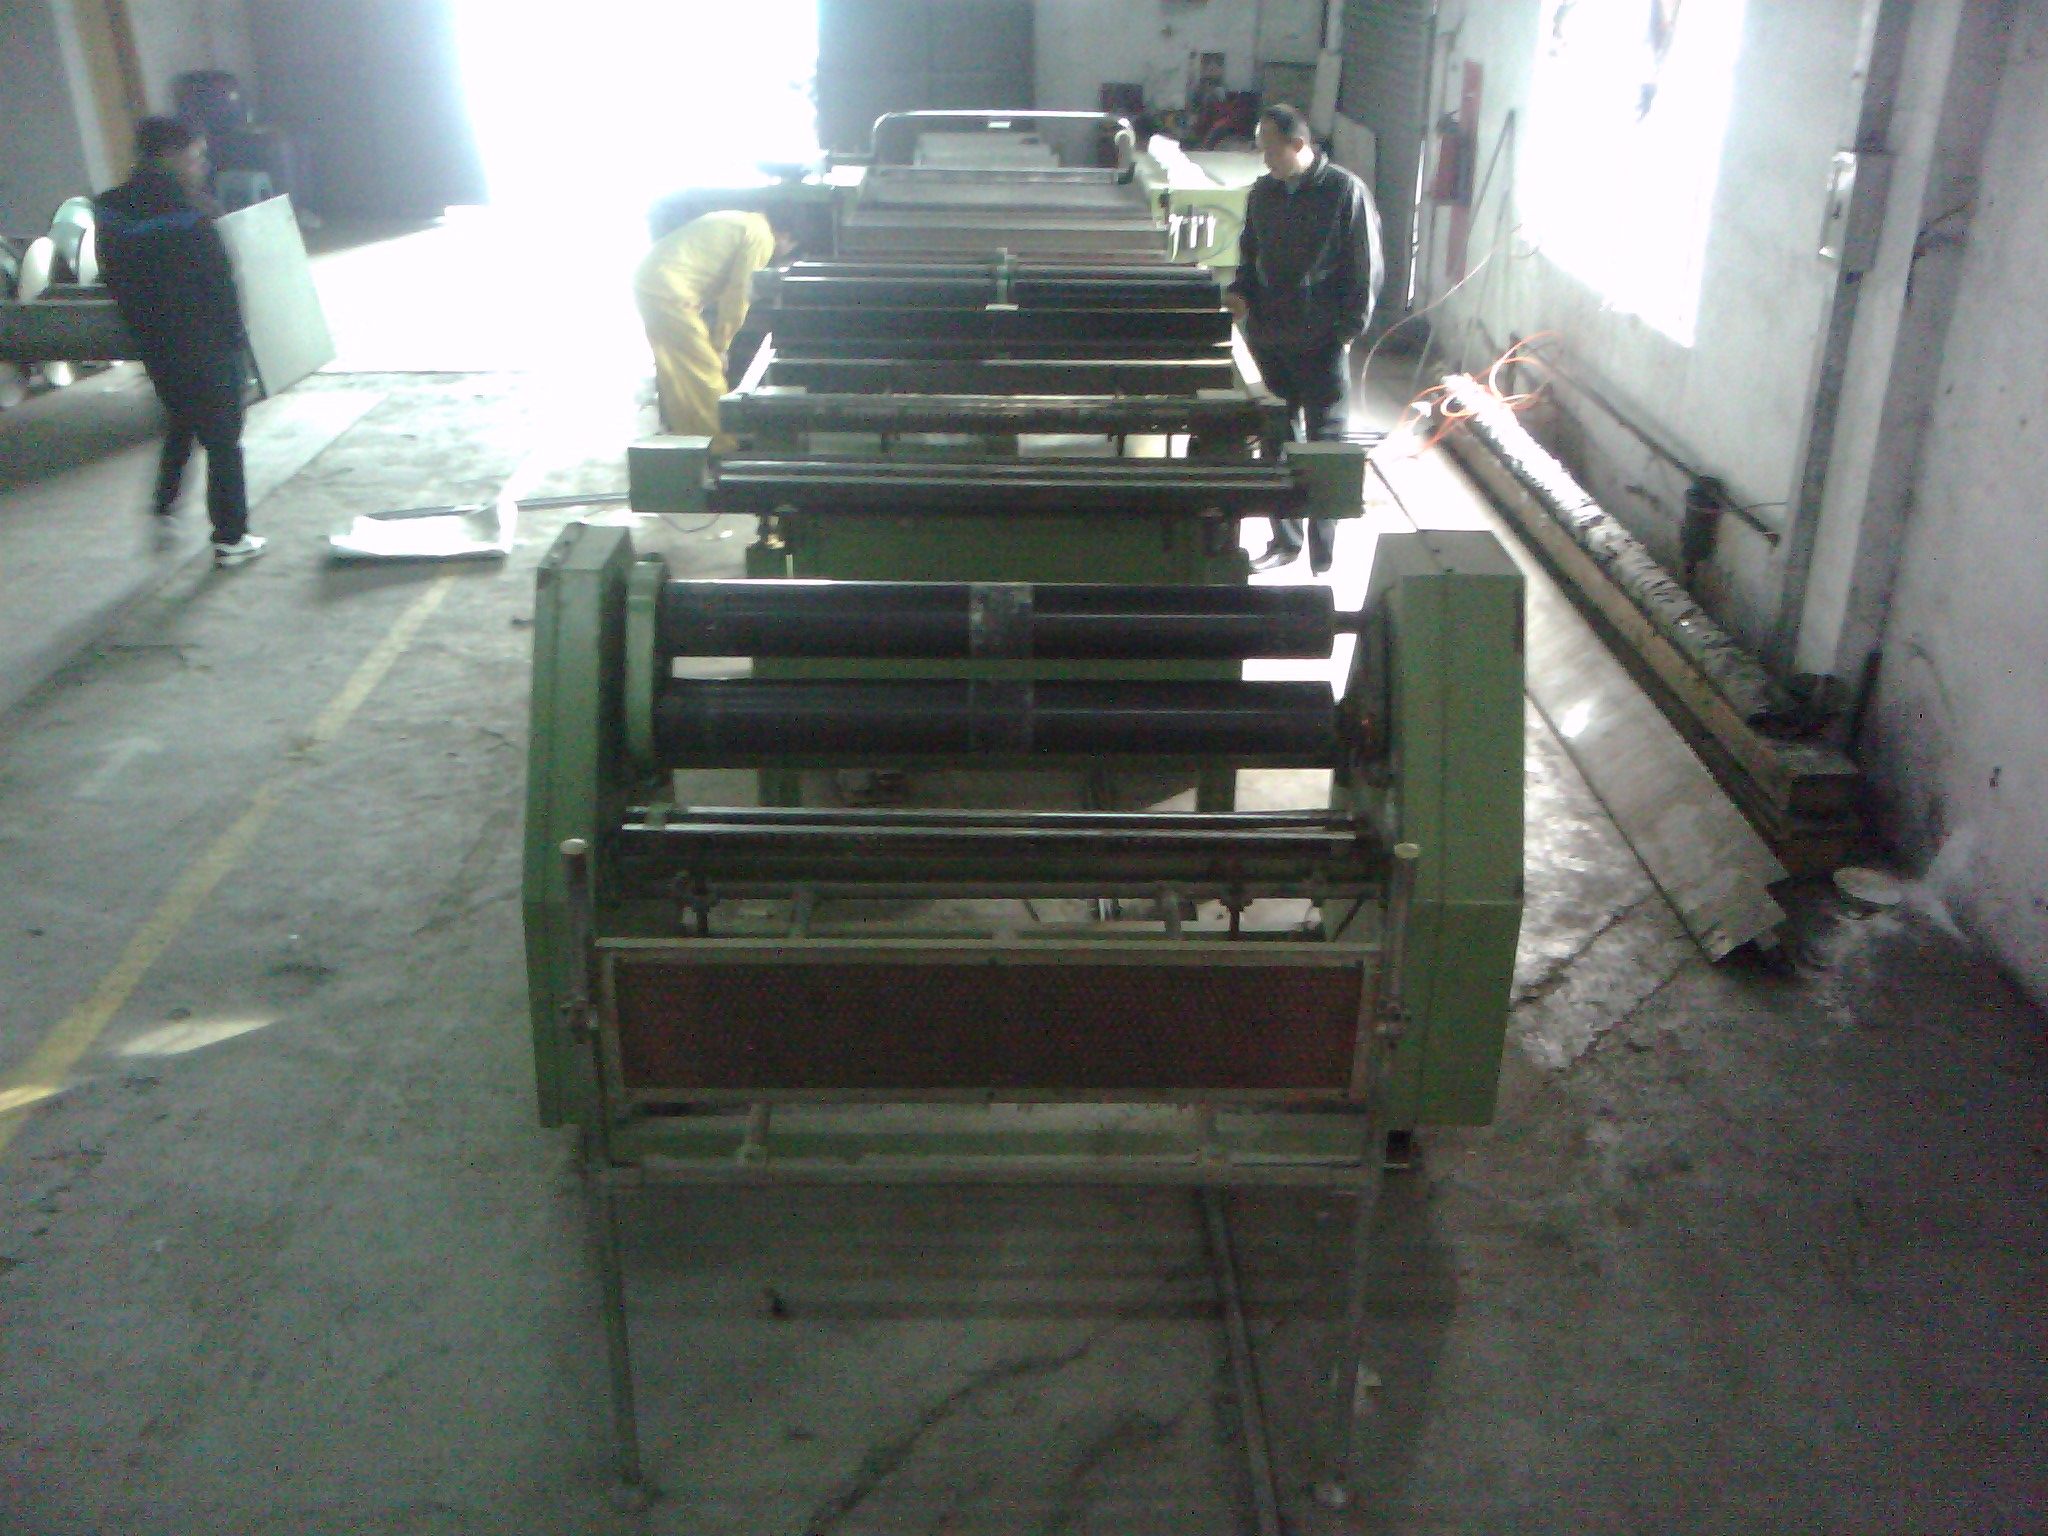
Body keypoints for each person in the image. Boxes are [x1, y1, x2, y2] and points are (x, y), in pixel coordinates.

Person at [97, 116, 265, 568]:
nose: (202, 165)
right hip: (206, 341)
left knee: (183, 417)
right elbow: (220, 285)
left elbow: (115, 278)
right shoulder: (193, 211)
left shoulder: (110, 209)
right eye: (196, 156)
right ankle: (231, 538)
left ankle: (164, 504)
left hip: (155, 342)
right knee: (224, 442)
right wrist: (238, 341)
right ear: (170, 156)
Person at [1225, 104, 1384, 575]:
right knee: (1278, 439)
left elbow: (1365, 267)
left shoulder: (1343, 192)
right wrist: (1240, 294)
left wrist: (1346, 333)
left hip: (1321, 341)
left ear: (1299, 145)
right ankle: (1286, 541)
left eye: (1271, 150)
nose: (1265, 159)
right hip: (1270, 337)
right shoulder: (1264, 193)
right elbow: (1250, 256)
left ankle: (1323, 553)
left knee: (1324, 445)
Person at [634, 205, 801, 449]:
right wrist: (721, 345)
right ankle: (720, 445)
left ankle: (688, 437)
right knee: (707, 369)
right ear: (785, 236)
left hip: (655, 282)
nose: (786, 252)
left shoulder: (746, 222)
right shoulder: (761, 237)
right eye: (791, 247)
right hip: (667, 289)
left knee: (678, 370)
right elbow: (739, 293)